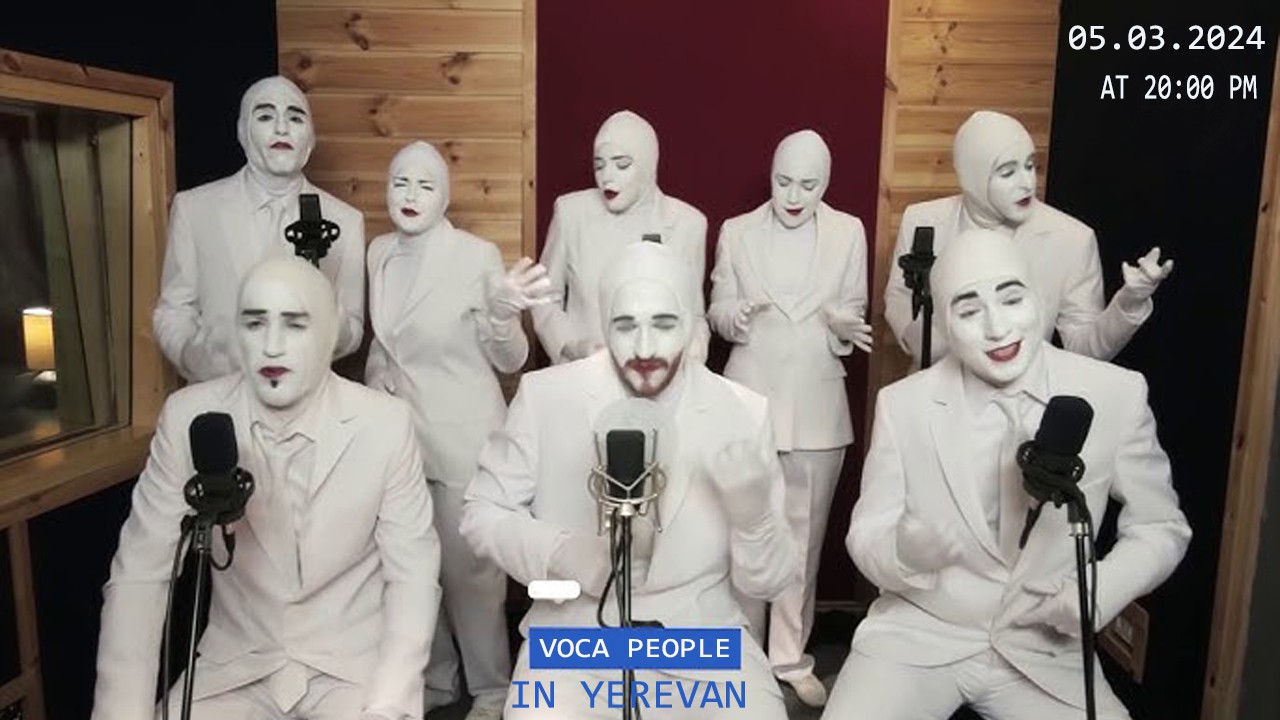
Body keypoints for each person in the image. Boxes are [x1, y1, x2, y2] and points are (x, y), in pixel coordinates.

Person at [824, 229, 1191, 719]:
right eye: (969, 311)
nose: (997, 328)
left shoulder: (1114, 394)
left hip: (1047, 649)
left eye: (1012, 299)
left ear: (1038, 297)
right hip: (918, 635)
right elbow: (867, 533)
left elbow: (1162, 526)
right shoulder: (903, 404)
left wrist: (1097, 593)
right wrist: (904, 554)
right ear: (945, 324)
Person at [92, 257, 439, 720]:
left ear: (330, 330)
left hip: (352, 671)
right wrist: (122, 713)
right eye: (255, 324)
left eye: (295, 324)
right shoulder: (188, 418)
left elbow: (413, 576)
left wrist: (389, 706)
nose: (272, 346)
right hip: (233, 670)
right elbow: (139, 574)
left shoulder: (386, 424)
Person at [461, 242, 796, 719]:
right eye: (625, 326)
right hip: (574, 640)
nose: (644, 349)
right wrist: (561, 552)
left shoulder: (742, 412)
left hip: (699, 640)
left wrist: (756, 520)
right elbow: (481, 512)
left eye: (663, 324)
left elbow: (770, 583)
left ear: (690, 324)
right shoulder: (547, 396)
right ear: (604, 325)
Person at [365, 140, 556, 720]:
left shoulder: (475, 257)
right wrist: (375, 380)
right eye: (400, 182)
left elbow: (511, 358)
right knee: (411, 568)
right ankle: (439, 678)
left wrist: (502, 313)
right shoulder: (378, 253)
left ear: (444, 197)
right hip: (400, 443)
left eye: (425, 185)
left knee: (470, 574)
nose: (410, 195)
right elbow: (385, 343)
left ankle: (493, 687)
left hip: (462, 439)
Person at [708, 129, 870, 707]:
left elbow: (853, 307)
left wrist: (844, 326)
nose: (794, 195)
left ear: (825, 184)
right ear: (771, 175)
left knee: (803, 542)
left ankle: (788, 655)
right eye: (783, 182)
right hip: (747, 399)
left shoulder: (849, 231)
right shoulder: (736, 231)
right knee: (741, 531)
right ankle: (740, 650)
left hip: (818, 407)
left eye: (808, 184)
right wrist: (734, 316)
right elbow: (716, 306)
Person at [883, 110, 1173, 367]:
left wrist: (1129, 304)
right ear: (972, 175)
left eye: (1030, 165)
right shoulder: (922, 221)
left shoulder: (1072, 239)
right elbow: (899, 295)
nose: (1027, 183)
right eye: (1007, 172)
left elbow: (1085, 350)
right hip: (935, 396)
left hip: (1024, 403)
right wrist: (923, 342)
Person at [153, 75, 365, 382]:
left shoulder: (345, 221)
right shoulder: (195, 209)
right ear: (243, 131)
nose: (282, 128)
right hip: (218, 393)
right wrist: (191, 355)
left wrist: (328, 319)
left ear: (311, 138)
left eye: (295, 118)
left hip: (306, 399)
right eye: (265, 116)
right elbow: (173, 309)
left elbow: (354, 329)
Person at [532, 110, 710, 365]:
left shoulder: (687, 223)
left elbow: (694, 314)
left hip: (655, 374)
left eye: (622, 164)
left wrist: (693, 354)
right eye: (599, 165)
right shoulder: (571, 213)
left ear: (648, 165)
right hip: (582, 373)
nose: (607, 176)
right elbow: (543, 296)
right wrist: (572, 346)